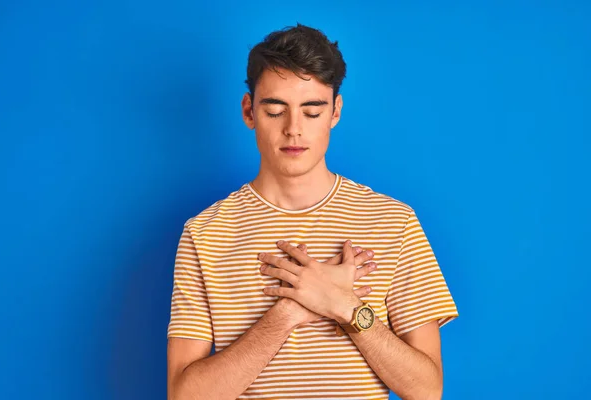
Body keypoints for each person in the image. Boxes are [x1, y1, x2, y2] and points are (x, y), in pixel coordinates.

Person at [166, 23, 459, 400]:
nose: (294, 130)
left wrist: (345, 306)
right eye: (275, 111)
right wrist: (288, 311)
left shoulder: (394, 222)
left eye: (312, 111)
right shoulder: (205, 233)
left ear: (335, 111)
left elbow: (427, 390)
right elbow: (184, 396)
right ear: (248, 110)